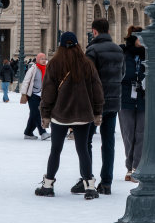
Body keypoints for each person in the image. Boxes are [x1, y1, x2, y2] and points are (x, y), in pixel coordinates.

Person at [34, 32, 105, 199]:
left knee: (55, 150)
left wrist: (45, 113)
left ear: (60, 45)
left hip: (60, 113)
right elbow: (97, 90)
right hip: (83, 113)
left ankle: (48, 185)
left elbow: (48, 92)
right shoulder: (86, 64)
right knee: (83, 150)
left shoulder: (55, 64)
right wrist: (97, 112)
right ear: (77, 44)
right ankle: (90, 187)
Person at [83, 18, 125, 194]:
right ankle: (106, 182)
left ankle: (87, 179)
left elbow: (86, 78)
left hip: (94, 103)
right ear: (108, 31)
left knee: (86, 141)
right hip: (113, 102)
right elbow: (122, 74)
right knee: (108, 143)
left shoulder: (92, 50)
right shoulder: (118, 50)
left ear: (94, 32)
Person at [119, 26, 147, 180]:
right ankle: (129, 166)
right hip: (125, 97)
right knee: (128, 134)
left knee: (141, 133)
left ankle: (137, 166)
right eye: (139, 38)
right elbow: (120, 74)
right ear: (133, 39)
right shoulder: (123, 54)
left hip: (144, 97)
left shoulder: (148, 55)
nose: (142, 41)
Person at [20, 52, 48, 139]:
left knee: (33, 114)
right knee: (36, 113)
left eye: (44, 59)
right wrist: (24, 93)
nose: (44, 60)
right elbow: (26, 81)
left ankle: (28, 133)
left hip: (42, 95)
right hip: (32, 94)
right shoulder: (33, 69)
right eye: (42, 59)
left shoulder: (47, 69)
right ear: (38, 60)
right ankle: (43, 133)